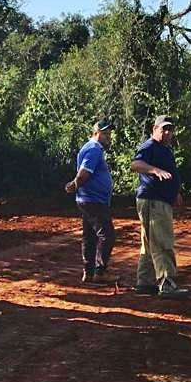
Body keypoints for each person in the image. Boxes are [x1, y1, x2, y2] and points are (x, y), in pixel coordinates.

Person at [131, 115, 188, 299]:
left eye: (170, 129)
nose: (167, 132)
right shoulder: (149, 146)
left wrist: (175, 191)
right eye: (164, 129)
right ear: (154, 129)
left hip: (157, 200)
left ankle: (144, 282)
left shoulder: (164, 149)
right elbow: (136, 164)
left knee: (149, 243)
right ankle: (167, 283)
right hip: (154, 200)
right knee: (163, 242)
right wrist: (155, 170)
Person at [65, 118, 116, 284]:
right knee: (107, 235)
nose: (108, 137)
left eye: (109, 133)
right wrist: (75, 184)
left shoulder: (91, 148)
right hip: (93, 200)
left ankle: (88, 273)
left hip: (88, 199)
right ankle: (100, 272)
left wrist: (75, 185)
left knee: (90, 236)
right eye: (105, 133)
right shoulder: (94, 149)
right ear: (95, 133)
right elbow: (84, 172)